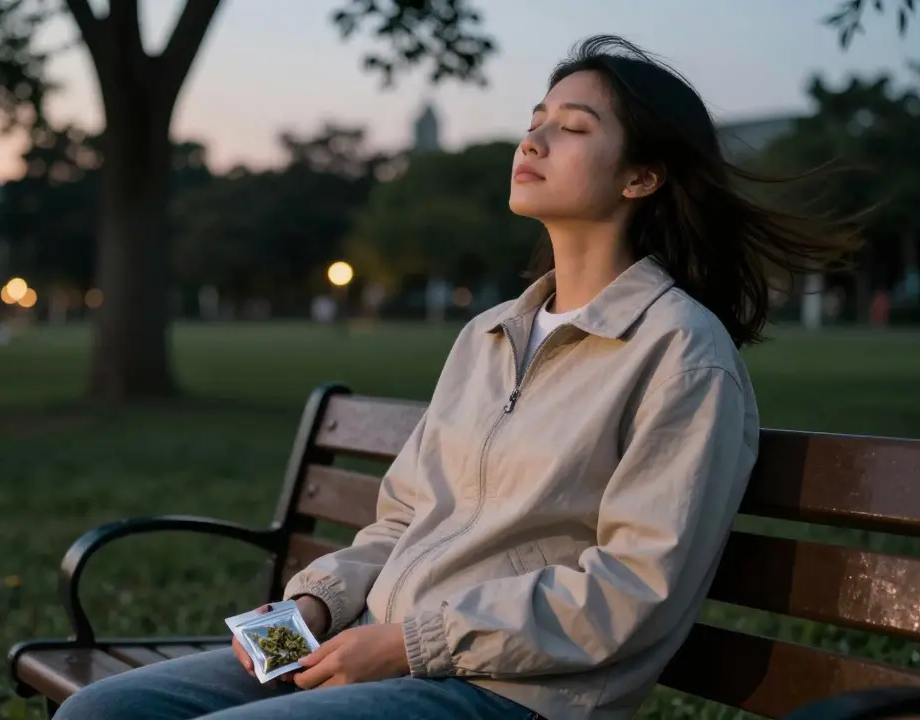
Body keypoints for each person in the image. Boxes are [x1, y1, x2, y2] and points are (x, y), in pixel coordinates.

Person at [55, 35, 858, 720]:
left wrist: (409, 644)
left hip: (510, 691)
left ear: (641, 177)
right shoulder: (489, 334)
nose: (533, 141)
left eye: (572, 128)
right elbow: (408, 519)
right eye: (535, 121)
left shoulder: (681, 353)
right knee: (100, 711)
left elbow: (631, 589)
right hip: (374, 641)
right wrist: (314, 603)